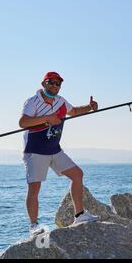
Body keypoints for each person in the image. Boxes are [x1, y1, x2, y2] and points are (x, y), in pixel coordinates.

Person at [19, 72, 99, 236]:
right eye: (51, 82)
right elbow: (23, 122)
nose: (55, 86)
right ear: (44, 83)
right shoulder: (32, 101)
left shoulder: (61, 101)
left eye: (58, 84)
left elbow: (74, 111)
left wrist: (90, 107)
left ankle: (79, 215)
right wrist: (47, 118)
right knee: (34, 188)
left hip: (54, 149)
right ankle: (34, 226)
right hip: (35, 150)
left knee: (77, 174)